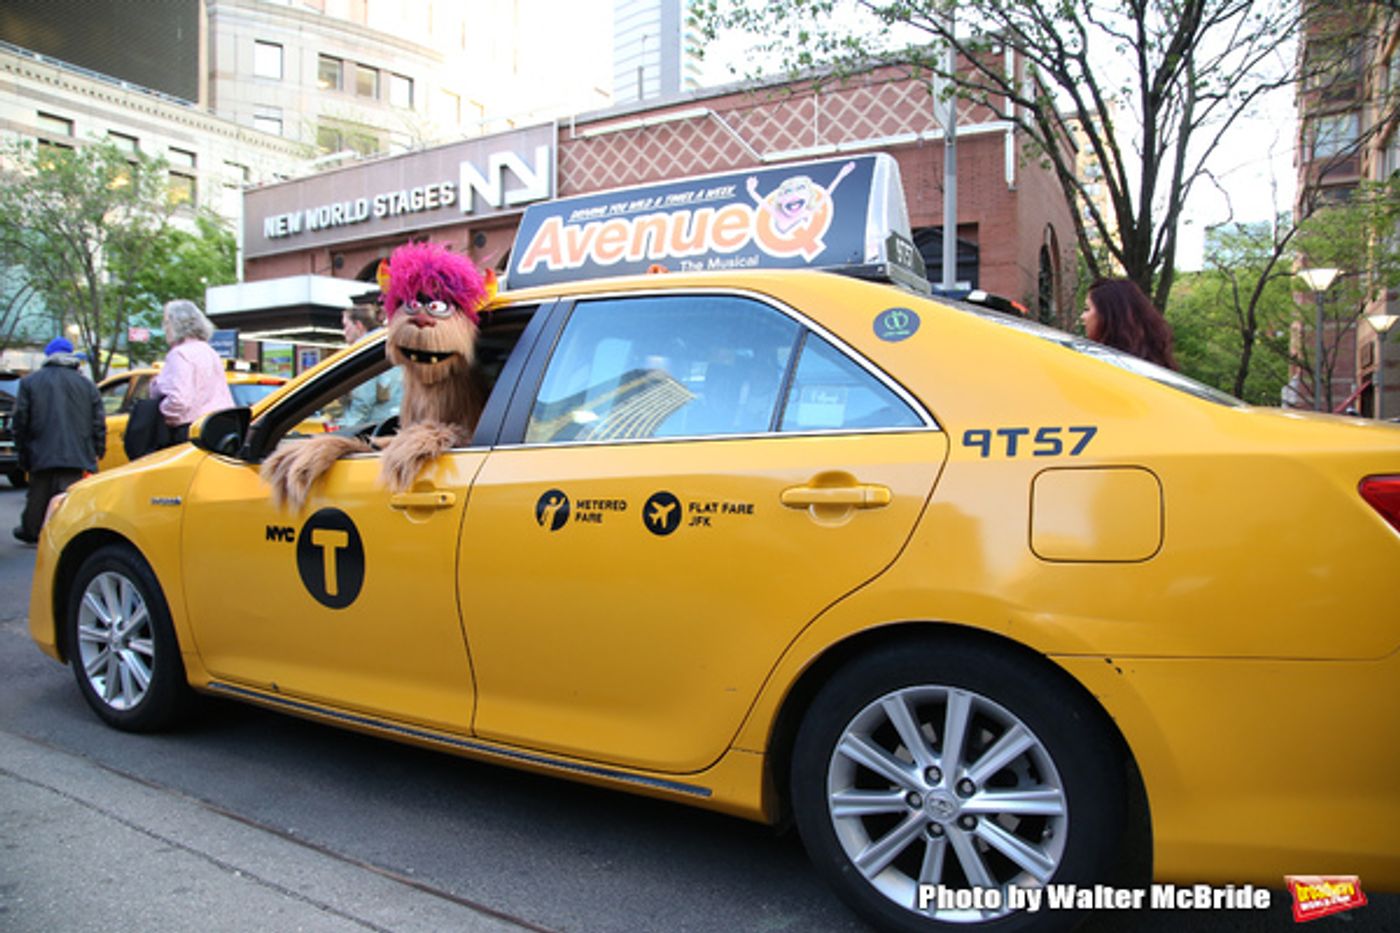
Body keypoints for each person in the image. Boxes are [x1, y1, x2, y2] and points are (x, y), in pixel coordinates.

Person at [12, 337, 105, 544]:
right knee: (70, 498)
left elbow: (20, 421)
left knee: (38, 496)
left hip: (41, 452)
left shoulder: (30, 382)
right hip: (77, 454)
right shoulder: (87, 385)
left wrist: (23, 453)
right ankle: (67, 534)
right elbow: (98, 422)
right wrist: (97, 450)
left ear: (48, 356)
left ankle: (32, 530)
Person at [150, 300, 234, 437]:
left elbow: (178, 400)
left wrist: (161, 413)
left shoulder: (179, 354)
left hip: (191, 430)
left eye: (166, 322)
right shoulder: (209, 351)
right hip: (217, 426)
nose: (164, 328)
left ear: (175, 324)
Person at [1081, 278, 1178, 370]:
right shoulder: (1154, 369)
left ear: (1109, 315)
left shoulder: (1102, 366)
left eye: (1087, 309)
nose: (1082, 316)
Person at [338, 302, 401, 426]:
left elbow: (362, 402)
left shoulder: (363, 352)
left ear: (358, 325)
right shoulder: (386, 344)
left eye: (346, 326)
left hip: (372, 427)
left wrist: (346, 430)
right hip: (394, 423)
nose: (344, 332)